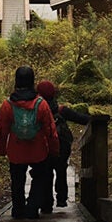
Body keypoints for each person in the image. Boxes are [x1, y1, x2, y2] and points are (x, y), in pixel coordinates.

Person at [0, 66, 60, 219]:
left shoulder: (8, 105)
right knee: (39, 178)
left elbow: (1, 131)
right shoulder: (41, 104)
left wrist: (2, 150)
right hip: (38, 151)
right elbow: (51, 131)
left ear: (16, 81)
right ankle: (32, 208)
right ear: (33, 81)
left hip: (16, 151)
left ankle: (18, 210)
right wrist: (54, 150)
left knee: (17, 180)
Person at [36, 80, 90, 211]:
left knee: (46, 173)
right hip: (62, 147)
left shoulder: (37, 109)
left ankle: (47, 204)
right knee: (61, 171)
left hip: (44, 147)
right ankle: (61, 199)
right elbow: (83, 119)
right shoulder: (62, 110)